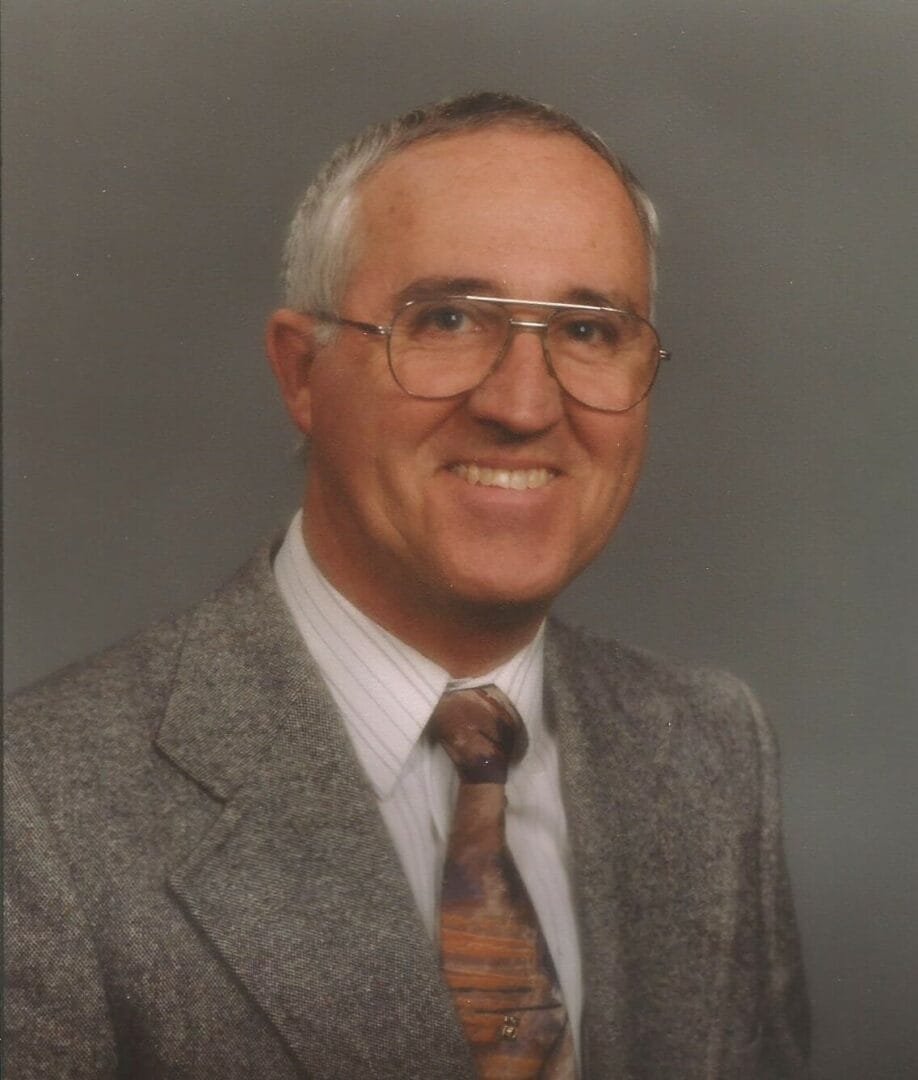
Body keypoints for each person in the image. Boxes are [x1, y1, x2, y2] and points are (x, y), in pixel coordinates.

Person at [4, 92, 810, 1079]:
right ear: (301, 373)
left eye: (589, 331)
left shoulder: (711, 750)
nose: (523, 405)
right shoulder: (34, 808)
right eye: (449, 319)